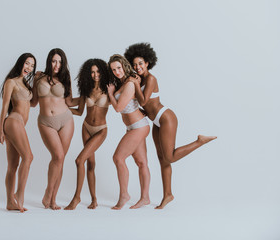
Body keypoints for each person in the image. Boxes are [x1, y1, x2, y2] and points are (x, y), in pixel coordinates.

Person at [124, 43, 217, 209]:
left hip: (166, 117)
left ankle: (199, 141)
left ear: (147, 63)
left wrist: (136, 85)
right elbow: (143, 104)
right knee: (162, 159)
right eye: (134, 64)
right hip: (156, 122)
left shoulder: (151, 79)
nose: (137, 67)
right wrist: (143, 111)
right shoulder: (141, 79)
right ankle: (168, 195)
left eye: (140, 63)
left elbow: (144, 100)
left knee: (170, 157)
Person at [31, 48, 78, 210]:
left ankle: (52, 200)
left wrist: (87, 95)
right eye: (54, 61)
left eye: (60, 61)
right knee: (57, 156)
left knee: (60, 159)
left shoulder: (65, 78)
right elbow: (33, 102)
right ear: (49, 61)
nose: (57, 65)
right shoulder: (38, 77)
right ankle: (48, 193)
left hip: (66, 120)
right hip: (46, 122)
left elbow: (70, 102)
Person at [64, 59, 111, 210]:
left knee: (79, 160)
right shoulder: (86, 90)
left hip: (101, 130)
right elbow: (78, 111)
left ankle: (76, 197)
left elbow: (122, 101)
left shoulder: (109, 90)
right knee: (90, 164)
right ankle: (94, 200)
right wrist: (62, 109)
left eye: (98, 71)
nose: (95, 74)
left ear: (103, 72)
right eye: (92, 72)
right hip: (86, 128)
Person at [107, 54, 151, 210]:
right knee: (141, 163)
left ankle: (124, 195)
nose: (117, 72)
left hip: (139, 126)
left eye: (118, 68)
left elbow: (118, 108)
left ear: (124, 65)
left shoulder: (130, 83)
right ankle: (145, 198)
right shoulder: (125, 82)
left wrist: (111, 94)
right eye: (113, 70)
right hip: (133, 127)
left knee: (118, 158)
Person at [0, 53, 36, 212]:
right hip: (13, 121)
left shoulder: (26, 84)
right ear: (20, 63)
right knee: (29, 157)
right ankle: (19, 194)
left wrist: (39, 80)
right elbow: (5, 106)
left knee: (13, 165)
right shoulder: (11, 82)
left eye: (32, 65)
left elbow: (33, 104)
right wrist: (0, 129)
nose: (29, 68)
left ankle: (9, 202)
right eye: (27, 63)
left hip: (19, 124)